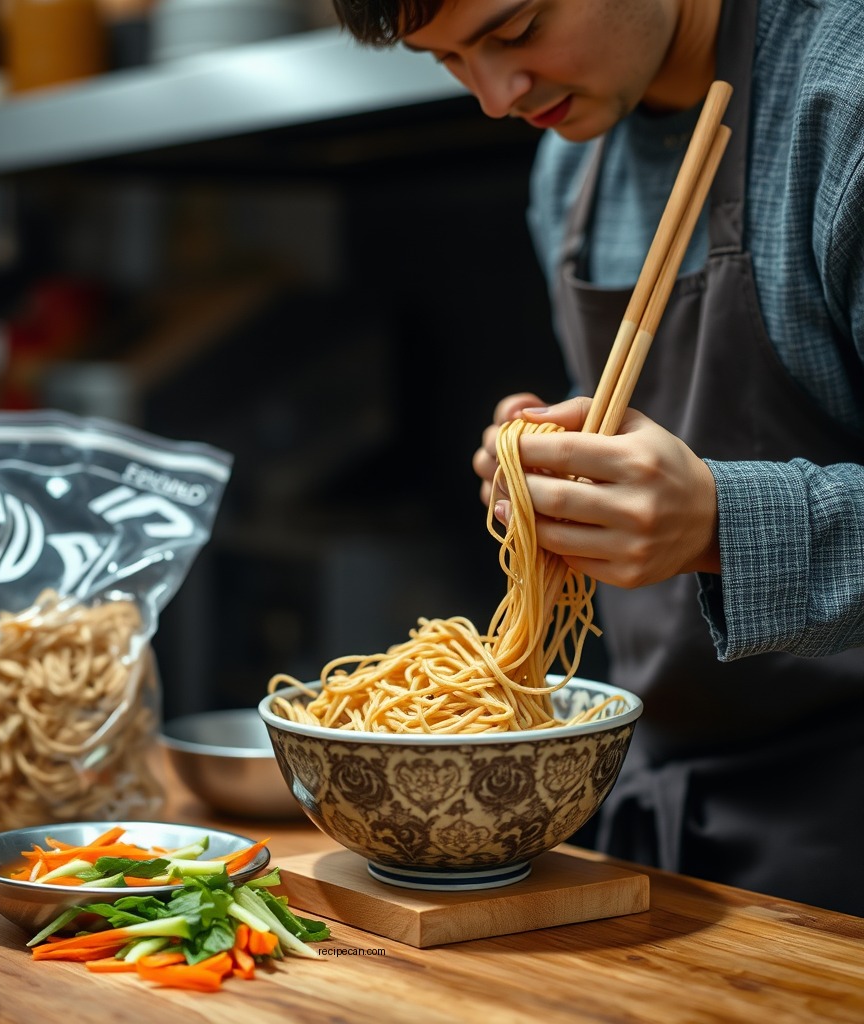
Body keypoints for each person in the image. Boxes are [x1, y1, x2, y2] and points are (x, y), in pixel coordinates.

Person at [329, 0, 864, 917]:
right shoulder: (569, 159)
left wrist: (723, 525)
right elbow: (633, 425)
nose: (497, 97)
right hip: (657, 815)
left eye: (516, 29)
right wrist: (558, 473)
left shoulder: (839, 98)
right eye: (450, 61)